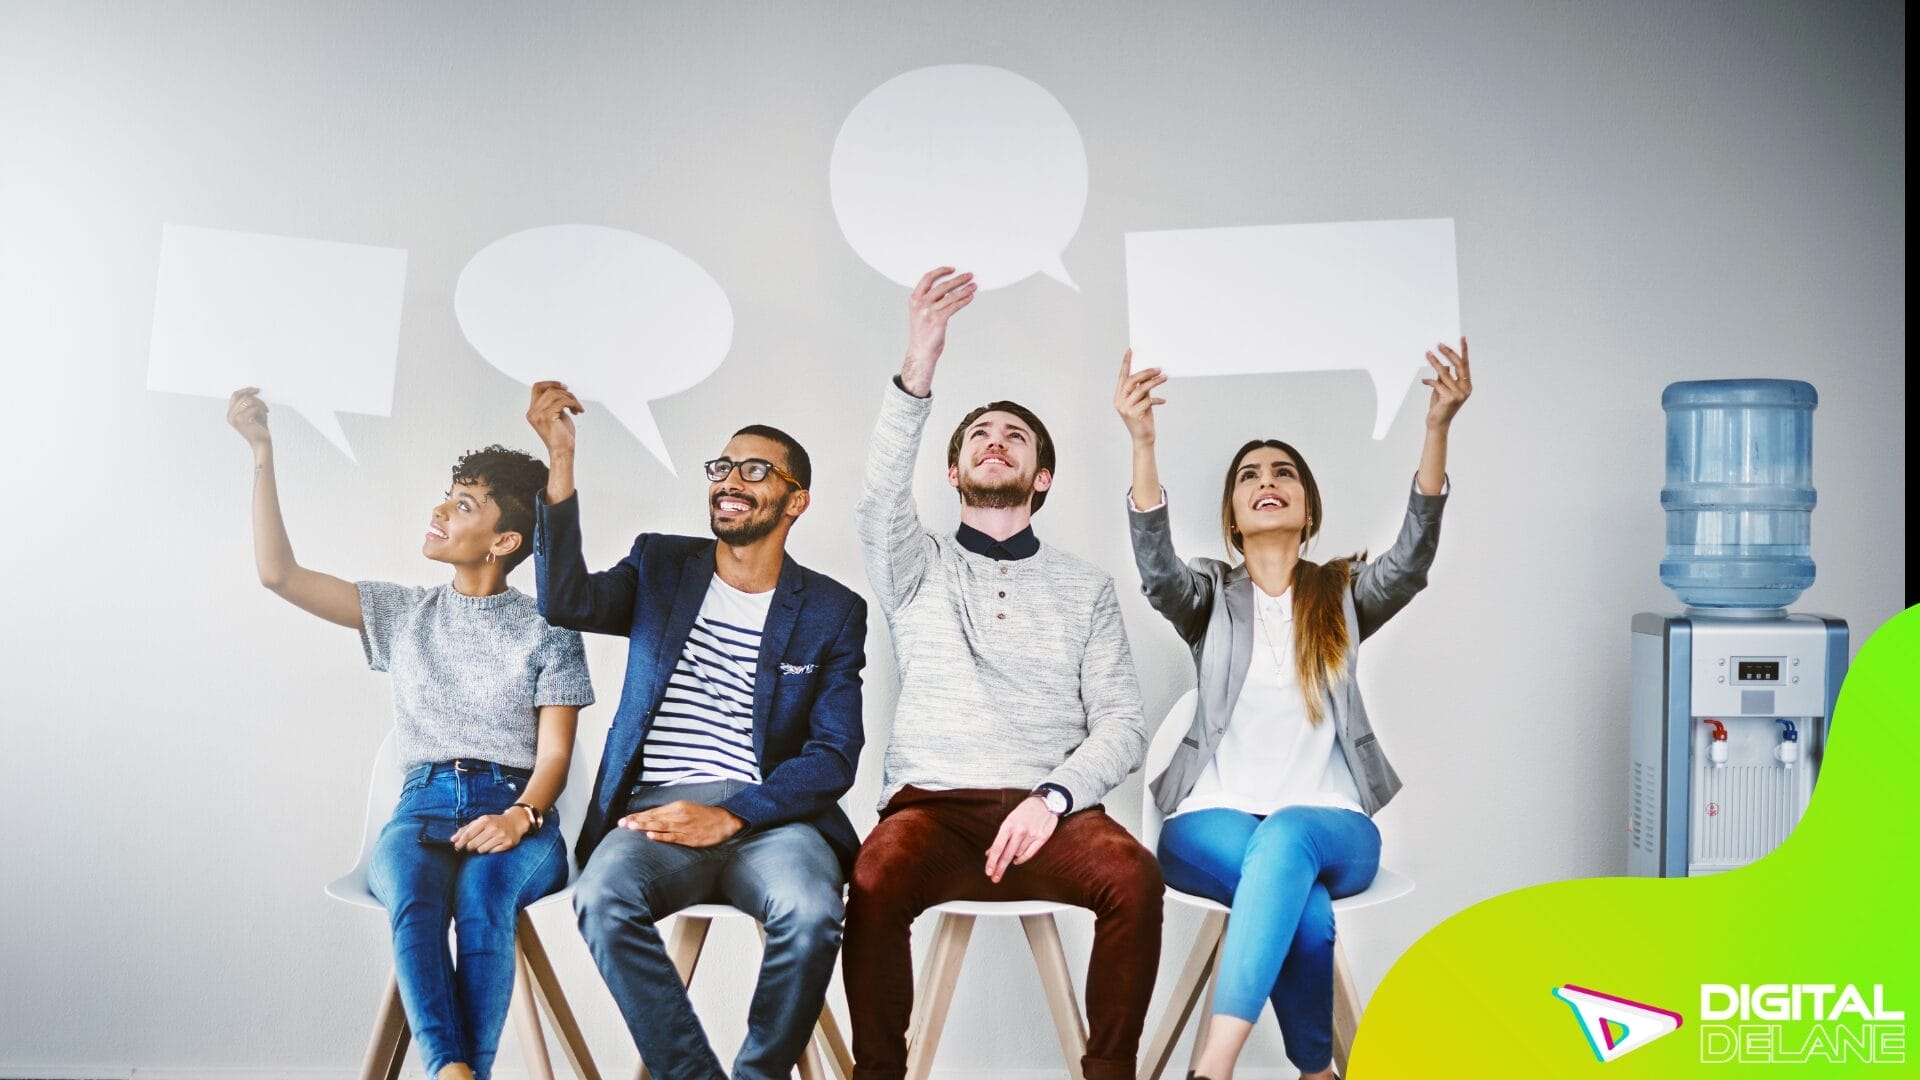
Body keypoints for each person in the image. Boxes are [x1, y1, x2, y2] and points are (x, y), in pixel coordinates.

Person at [1114, 340, 1472, 1080]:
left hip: (1333, 823)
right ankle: (1317, 1072)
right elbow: (1156, 570)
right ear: (1232, 517)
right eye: (1249, 476)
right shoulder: (1208, 598)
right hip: (1207, 821)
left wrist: (1436, 426)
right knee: (1298, 901)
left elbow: (1411, 560)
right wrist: (1144, 442)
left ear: (1308, 509)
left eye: (1284, 474)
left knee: (1286, 839)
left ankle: (1211, 1067)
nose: (1266, 481)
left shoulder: (1340, 594)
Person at [844, 268, 1163, 1080]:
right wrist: (921, 361)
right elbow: (881, 497)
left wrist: (1053, 798)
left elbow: (1123, 721)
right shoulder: (913, 568)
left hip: (1051, 814)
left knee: (1134, 876)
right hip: (932, 810)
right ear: (952, 473)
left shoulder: (1085, 587)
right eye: (978, 435)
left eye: (1014, 437)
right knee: (873, 877)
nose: (995, 440)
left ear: (1042, 478)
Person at [226, 388, 592, 1080]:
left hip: (517, 808)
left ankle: (453, 1073)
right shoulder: (403, 613)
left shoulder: (549, 629)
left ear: (504, 541)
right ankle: (453, 1073)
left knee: (485, 899)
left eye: (462, 505)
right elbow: (278, 575)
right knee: (416, 898)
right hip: (418, 807)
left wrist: (520, 817)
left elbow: (556, 755)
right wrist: (261, 452)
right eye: (447, 496)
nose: (438, 511)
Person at [524, 381, 867, 1080]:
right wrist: (560, 463)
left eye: (755, 469)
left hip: (772, 819)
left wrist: (731, 814)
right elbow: (565, 601)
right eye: (722, 467)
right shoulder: (662, 565)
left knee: (810, 913)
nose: (730, 481)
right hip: (653, 812)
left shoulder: (833, 610)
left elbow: (833, 757)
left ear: (796, 500)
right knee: (603, 898)